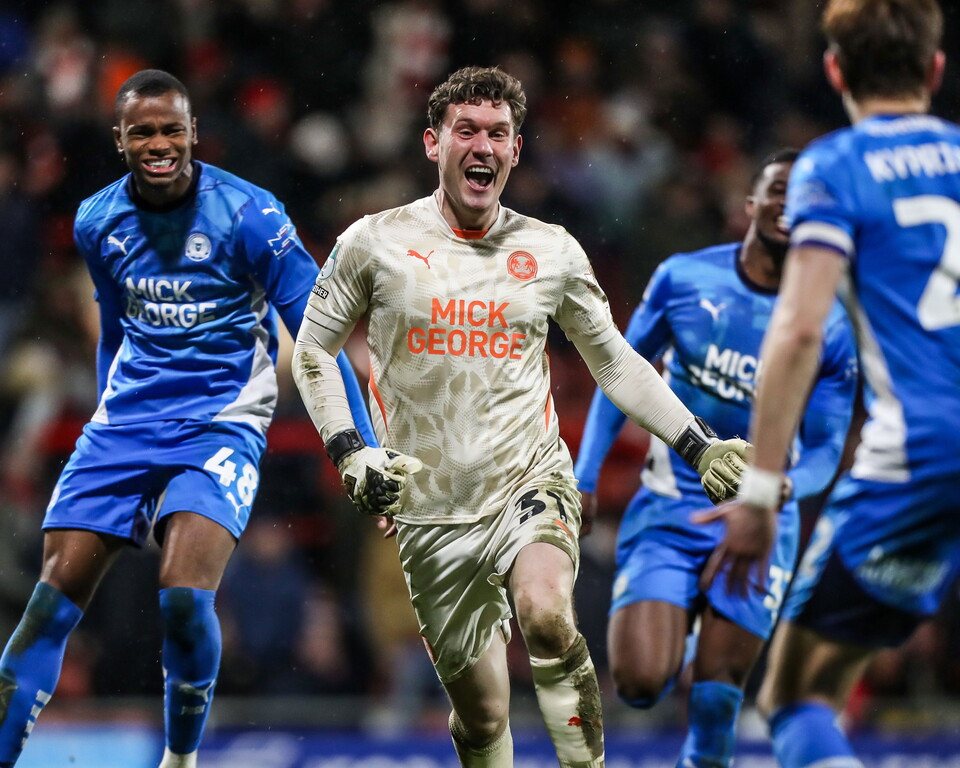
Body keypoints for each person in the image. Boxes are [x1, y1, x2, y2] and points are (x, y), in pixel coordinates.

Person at [292, 65, 751, 768]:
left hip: (529, 480)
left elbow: (614, 362)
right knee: (482, 717)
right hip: (431, 511)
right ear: (433, 143)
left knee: (545, 613)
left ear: (515, 149)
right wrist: (351, 451)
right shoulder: (372, 243)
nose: (483, 145)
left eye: (498, 133)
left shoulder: (552, 250)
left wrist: (699, 445)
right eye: (466, 131)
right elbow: (313, 351)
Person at [0, 69, 375, 768]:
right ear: (120, 140)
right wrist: (108, 414)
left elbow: (318, 339)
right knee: (48, 606)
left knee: (181, 597)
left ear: (194, 133)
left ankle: (180, 757)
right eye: (142, 132)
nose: (159, 143)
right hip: (124, 425)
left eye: (172, 129)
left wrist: (361, 449)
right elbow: (115, 329)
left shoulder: (251, 214)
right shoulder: (95, 220)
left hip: (220, 423)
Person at [697, 2, 960, 767]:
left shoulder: (834, 167)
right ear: (935, 68)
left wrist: (759, 494)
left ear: (835, 70)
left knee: (795, 695)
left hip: (920, 454)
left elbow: (799, 330)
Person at [574, 149, 857, 768]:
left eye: (806, 196)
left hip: (758, 521)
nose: (790, 204)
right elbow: (617, 372)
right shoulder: (683, 280)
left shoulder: (832, 325)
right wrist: (585, 475)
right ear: (750, 204)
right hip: (671, 505)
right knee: (640, 683)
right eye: (778, 190)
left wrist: (780, 490)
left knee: (713, 709)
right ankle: (685, 617)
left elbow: (826, 447)